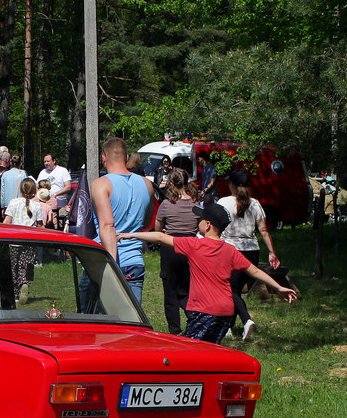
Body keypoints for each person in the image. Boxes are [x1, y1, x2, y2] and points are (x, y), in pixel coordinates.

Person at [120, 202, 298, 344]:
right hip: (225, 311)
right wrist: (278, 287)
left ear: (207, 225)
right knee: (211, 350)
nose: (198, 221)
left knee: (190, 353)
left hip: (203, 311)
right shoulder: (230, 250)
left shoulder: (194, 245)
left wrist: (129, 235)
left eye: (201, 218)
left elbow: (160, 237)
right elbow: (255, 271)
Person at [90, 138, 155, 305]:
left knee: (95, 323)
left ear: (104, 158)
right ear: (126, 157)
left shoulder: (101, 184)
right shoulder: (146, 184)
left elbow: (107, 225)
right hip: (134, 261)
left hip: (106, 261)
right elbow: (146, 221)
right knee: (131, 324)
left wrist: (112, 266)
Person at [219, 173, 280, 341]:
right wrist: (271, 253)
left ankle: (246, 321)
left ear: (231, 184)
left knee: (229, 290)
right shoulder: (255, 204)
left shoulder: (224, 202)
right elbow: (264, 230)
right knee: (235, 290)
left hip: (231, 249)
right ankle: (228, 327)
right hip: (252, 250)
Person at [154, 167, 199, 335]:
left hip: (171, 246)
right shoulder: (196, 204)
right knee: (187, 290)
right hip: (191, 248)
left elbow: (158, 228)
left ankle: (175, 330)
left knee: (170, 291)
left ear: (171, 183)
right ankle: (195, 321)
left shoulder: (166, 204)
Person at [4, 177, 44, 302]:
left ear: (21, 189)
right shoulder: (37, 205)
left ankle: (15, 293)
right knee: (26, 265)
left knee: (14, 266)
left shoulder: (13, 202)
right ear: (34, 191)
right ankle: (24, 283)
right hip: (30, 242)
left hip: (14, 241)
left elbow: (7, 222)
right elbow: (40, 225)